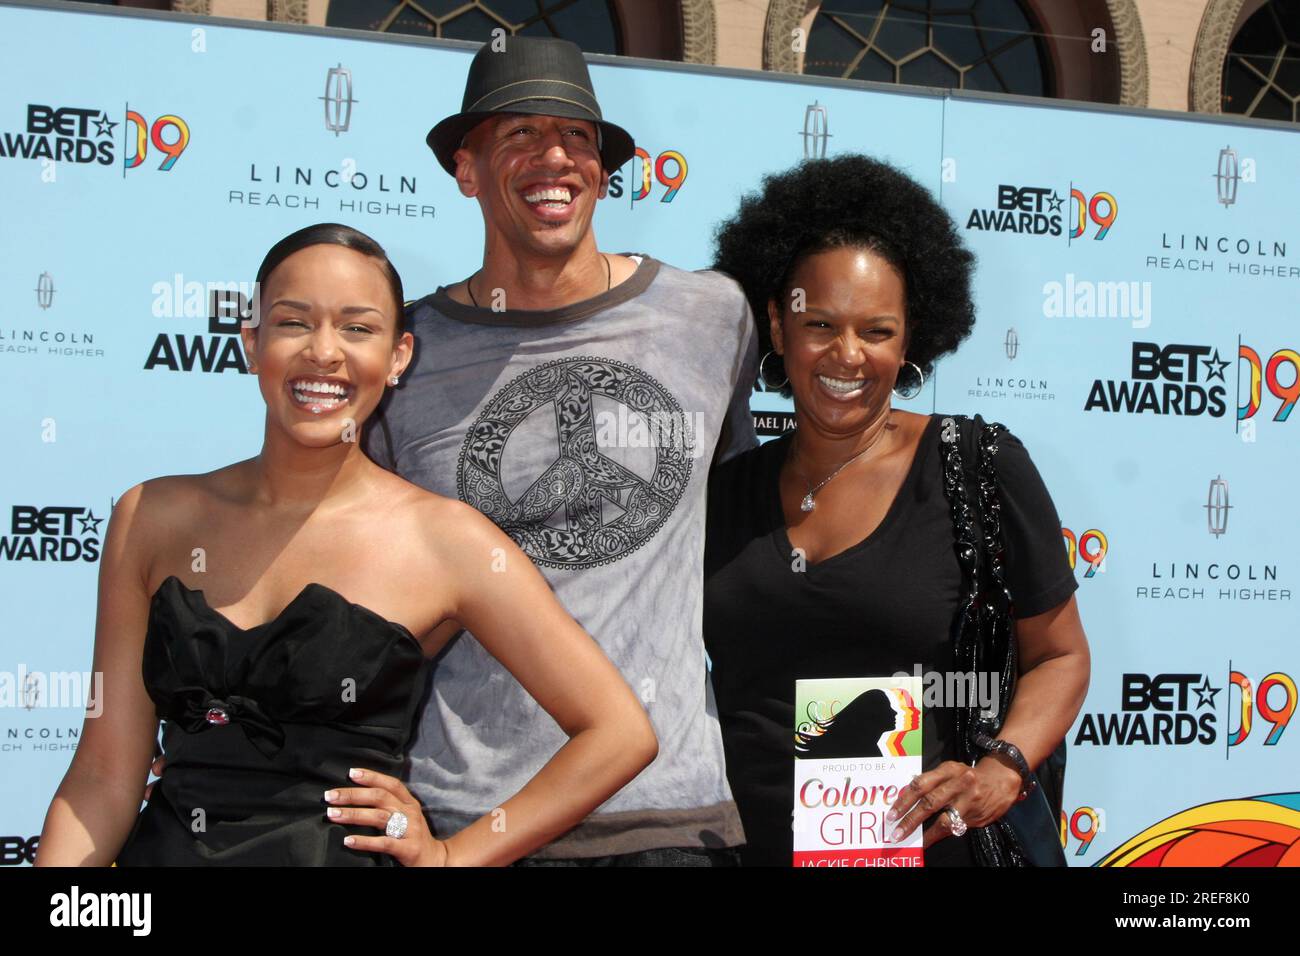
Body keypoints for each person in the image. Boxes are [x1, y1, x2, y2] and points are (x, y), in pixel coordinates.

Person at [35, 223, 657, 867]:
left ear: (398, 358)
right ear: (251, 343)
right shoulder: (152, 516)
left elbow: (617, 733)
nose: (324, 353)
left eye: (358, 329)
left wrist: (454, 859)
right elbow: (104, 775)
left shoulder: (445, 540)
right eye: (293, 322)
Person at [362, 36, 758, 865]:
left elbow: (759, 518)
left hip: (671, 821)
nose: (556, 157)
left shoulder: (712, 318)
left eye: (578, 137)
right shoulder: (406, 357)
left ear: (603, 170)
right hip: (467, 821)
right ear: (466, 169)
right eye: (520, 135)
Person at [704, 154, 1091, 867]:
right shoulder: (722, 492)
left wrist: (1001, 769)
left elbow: (1061, 655)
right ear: (777, 326)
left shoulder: (976, 467)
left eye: (876, 331)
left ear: (910, 338)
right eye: (818, 322)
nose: (846, 355)